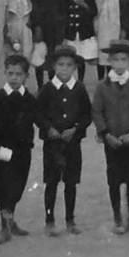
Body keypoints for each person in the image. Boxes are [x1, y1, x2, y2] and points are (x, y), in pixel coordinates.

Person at [93, 40, 129, 234]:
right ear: (109, 61)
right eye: (115, 59)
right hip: (112, 141)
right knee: (114, 180)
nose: (119, 63)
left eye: (123, 59)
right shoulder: (102, 86)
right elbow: (97, 112)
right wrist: (106, 134)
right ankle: (117, 217)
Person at [38, 43, 92, 235]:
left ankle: (70, 219)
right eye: (60, 64)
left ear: (75, 67)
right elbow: (38, 113)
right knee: (51, 182)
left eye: (69, 65)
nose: (64, 69)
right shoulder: (47, 89)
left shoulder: (79, 89)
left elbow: (87, 114)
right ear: (53, 66)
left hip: (72, 143)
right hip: (52, 144)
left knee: (70, 182)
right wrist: (48, 128)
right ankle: (49, 220)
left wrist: (76, 129)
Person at [0, 53, 37, 242]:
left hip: (23, 149)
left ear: (26, 76)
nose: (14, 78)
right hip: (4, 149)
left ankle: (11, 219)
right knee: (4, 185)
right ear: (5, 74)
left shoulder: (29, 99)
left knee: (19, 184)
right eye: (11, 73)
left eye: (19, 74)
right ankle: (4, 226)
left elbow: (34, 120)